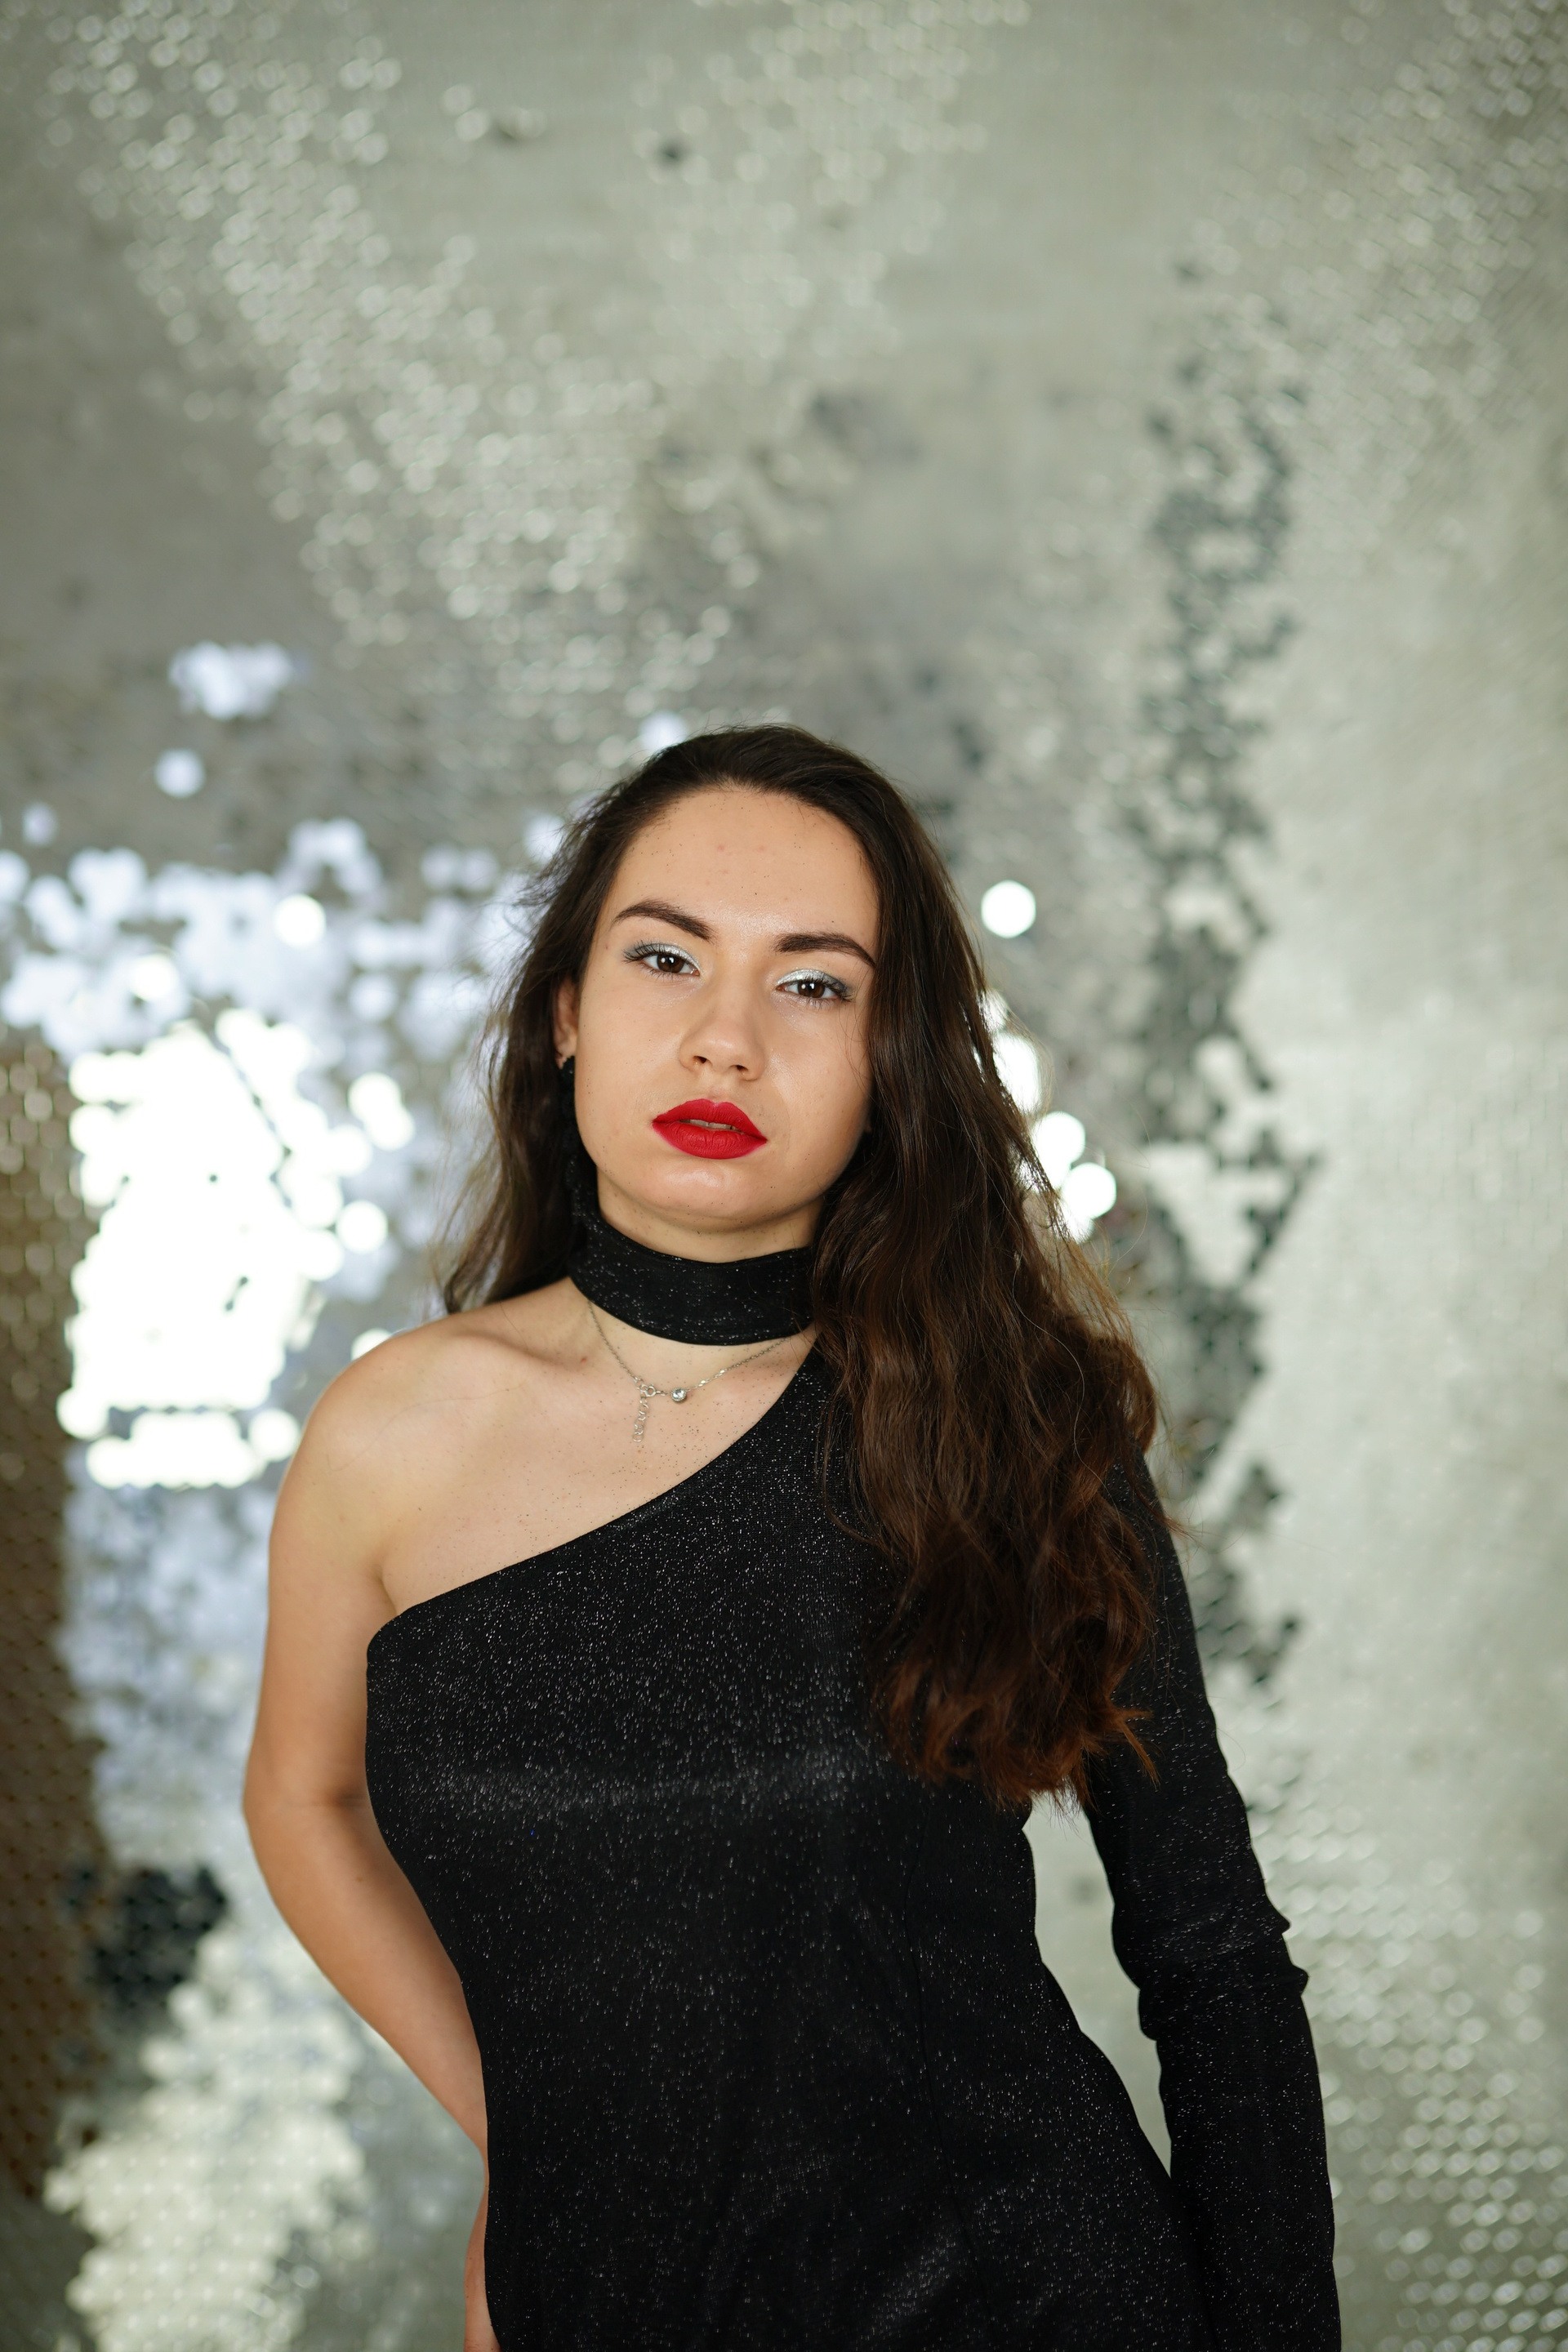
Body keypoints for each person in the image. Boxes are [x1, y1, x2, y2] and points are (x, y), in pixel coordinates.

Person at [245, 724, 1339, 2352]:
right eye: (665, 958)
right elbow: (301, 1796)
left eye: (814, 984)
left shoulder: (1006, 1420)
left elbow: (1212, 1952)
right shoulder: (388, 1435)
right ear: (565, 1007)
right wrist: (532, 2150)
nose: (726, 1040)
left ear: (895, 1054)